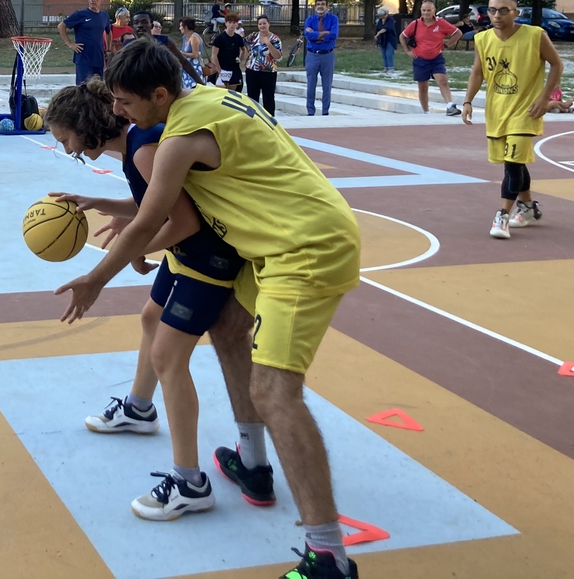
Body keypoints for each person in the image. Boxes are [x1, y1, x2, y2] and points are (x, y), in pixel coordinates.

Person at [57, 40, 363, 579]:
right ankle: (251, 462)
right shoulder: (207, 102)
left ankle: (328, 556)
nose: (117, 110)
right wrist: (103, 207)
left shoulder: (173, 139)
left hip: (304, 247)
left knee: (274, 392)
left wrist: (94, 281)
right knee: (224, 326)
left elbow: (153, 221)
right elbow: (158, 209)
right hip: (267, 247)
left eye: (124, 102)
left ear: (158, 94)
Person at [45, 77, 248, 523]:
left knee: (168, 358)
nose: (66, 149)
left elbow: (184, 222)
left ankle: (190, 482)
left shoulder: (143, 148)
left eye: (65, 139)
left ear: (85, 124)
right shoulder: (135, 142)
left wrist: (137, 248)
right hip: (188, 253)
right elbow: (155, 201)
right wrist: (103, 203)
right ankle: (138, 410)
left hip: (207, 256)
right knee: (150, 317)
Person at [462, 0, 564, 241]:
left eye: (504, 10)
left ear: (516, 13)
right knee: (514, 162)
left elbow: (557, 65)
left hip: (526, 110)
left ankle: (502, 216)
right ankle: (528, 208)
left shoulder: (535, 35)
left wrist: (544, 98)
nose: (497, 15)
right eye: (493, 10)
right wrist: (467, 101)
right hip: (497, 110)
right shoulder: (482, 39)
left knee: (511, 163)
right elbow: (477, 72)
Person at [400, 1, 462, 115]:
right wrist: (407, 50)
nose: (426, 13)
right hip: (420, 59)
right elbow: (402, 36)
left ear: (434, 11)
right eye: (424, 10)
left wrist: (447, 45)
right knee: (423, 87)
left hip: (436, 58)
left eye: (429, 10)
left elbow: (457, 33)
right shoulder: (415, 24)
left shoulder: (441, 23)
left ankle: (450, 106)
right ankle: (426, 111)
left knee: (442, 80)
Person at [59, 0, 111, 84]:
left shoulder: (104, 16)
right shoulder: (80, 14)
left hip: (98, 58)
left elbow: (109, 32)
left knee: (98, 88)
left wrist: (108, 49)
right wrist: (70, 44)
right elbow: (61, 26)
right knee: (83, 88)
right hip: (83, 58)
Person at [303, 0, 338, 116]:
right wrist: (324, 33)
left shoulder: (333, 19)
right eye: (318, 4)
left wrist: (315, 34)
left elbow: (333, 35)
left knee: (327, 85)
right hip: (312, 54)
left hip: (327, 55)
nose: (320, 6)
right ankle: (310, 111)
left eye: (323, 4)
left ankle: (325, 111)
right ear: (314, 7)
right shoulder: (310, 19)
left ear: (327, 7)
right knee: (311, 84)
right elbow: (307, 35)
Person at [245, 16, 282, 116]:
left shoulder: (275, 39)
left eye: (264, 23)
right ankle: (252, 120)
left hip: (268, 72)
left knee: (268, 98)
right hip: (252, 70)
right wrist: (248, 52)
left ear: (268, 24)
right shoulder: (253, 36)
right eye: (260, 24)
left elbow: (278, 56)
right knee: (252, 98)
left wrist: (269, 44)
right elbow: (243, 42)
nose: (262, 26)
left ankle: (269, 122)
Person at [208, 13, 247, 93]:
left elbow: (243, 49)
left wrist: (240, 59)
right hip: (222, 69)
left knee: (234, 94)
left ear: (237, 24)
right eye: (229, 22)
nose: (232, 25)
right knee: (221, 95)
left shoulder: (238, 38)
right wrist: (220, 71)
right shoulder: (219, 38)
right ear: (226, 23)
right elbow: (214, 56)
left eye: (234, 22)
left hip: (234, 70)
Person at [178, 17, 204, 88]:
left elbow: (195, 55)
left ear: (185, 27)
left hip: (194, 67)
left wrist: (181, 53)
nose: (179, 28)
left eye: (181, 26)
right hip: (186, 67)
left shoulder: (194, 37)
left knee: (193, 87)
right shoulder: (184, 37)